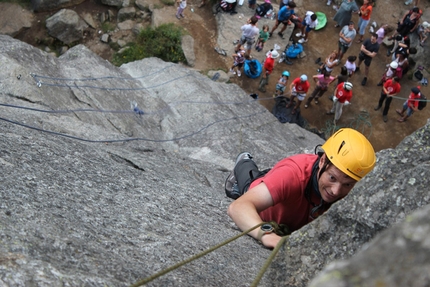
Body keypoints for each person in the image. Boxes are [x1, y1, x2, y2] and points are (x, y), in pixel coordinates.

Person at [225, 128, 376, 248]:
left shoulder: (354, 194)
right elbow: (238, 207)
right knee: (249, 184)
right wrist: (266, 235)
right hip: (263, 207)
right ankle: (244, 162)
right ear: (322, 161)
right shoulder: (293, 174)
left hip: (291, 213)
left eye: (347, 184)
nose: (336, 191)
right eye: (332, 178)